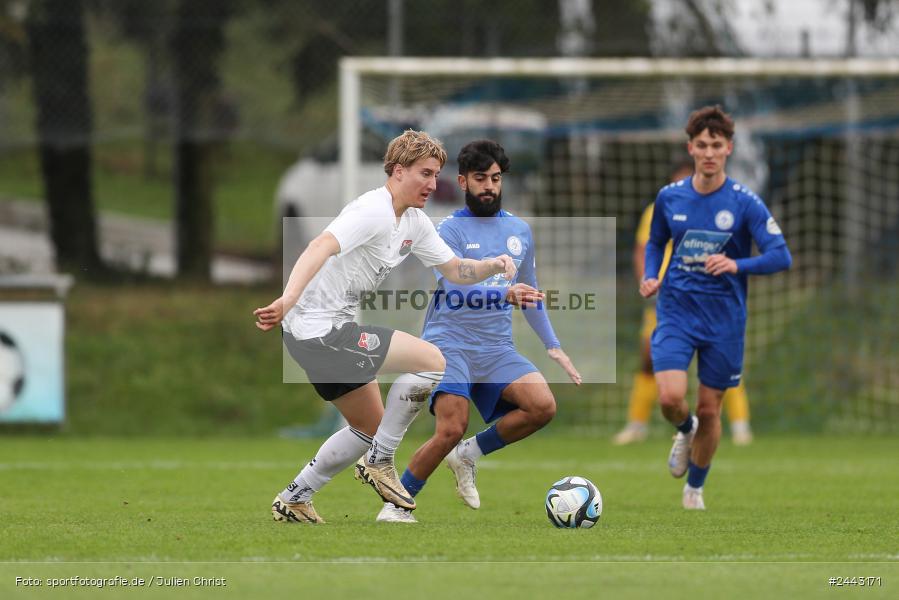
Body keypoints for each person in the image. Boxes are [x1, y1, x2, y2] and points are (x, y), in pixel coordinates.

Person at [254, 130, 518, 524]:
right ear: (397, 171)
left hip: (314, 333)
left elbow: (453, 269)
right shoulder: (372, 211)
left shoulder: (413, 221)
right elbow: (318, 246)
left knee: (368, 425)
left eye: (436, 175)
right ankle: (380, 461)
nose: (433, 183)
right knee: (431, 360)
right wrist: (287, 299)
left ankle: (295, 498)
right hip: (319, 331)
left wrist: (491, 265)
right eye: (425, 173)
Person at [374, 139, 582, 523]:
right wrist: (506, 294)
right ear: (463, 181)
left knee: (542, 407)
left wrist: (554, 346)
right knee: (451, 427)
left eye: (496, 178)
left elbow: (529, 293)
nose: (489, 186)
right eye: (480, 178)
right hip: (448, 342)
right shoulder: (448, 230)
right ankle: (395, 504)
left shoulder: (520, 230)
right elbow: (456, 290)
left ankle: (469, 455)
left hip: (495, 347)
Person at [640, 106, 791, 510]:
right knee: (670, 399)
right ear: (691, 148)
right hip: (675, 312)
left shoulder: (745, 203)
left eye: (717, 145)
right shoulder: (670, 197)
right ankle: (684, 429)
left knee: (711, 408)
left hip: (725, 319)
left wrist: (737, 264)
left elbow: (781, 256)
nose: (709, 152)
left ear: (729, 149)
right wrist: (650, 274)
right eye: (702, 145)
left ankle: (695, 490)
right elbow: (655, 242)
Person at [614, 160, 754, 446]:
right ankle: (636, 425)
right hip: (666, 300)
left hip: (708, 299)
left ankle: (740, 426)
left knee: (720, 362)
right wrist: (649, 282)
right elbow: (642, 251)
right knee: (649, 360)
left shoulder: (716, 211)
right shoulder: (656, 210)